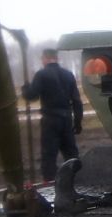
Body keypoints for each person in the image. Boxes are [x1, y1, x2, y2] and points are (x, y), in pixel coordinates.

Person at [22, 48, 84, 181]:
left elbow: (32, 96)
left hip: (50, 119)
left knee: (49, 155)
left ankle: (49, 182)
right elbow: (77, 101)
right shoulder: (68, 75)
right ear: (57, 58)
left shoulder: (41, 74)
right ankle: (76, 180)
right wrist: (78, 122)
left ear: (45, 58)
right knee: (71, 153)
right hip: (67, 119)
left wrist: (25, 89)